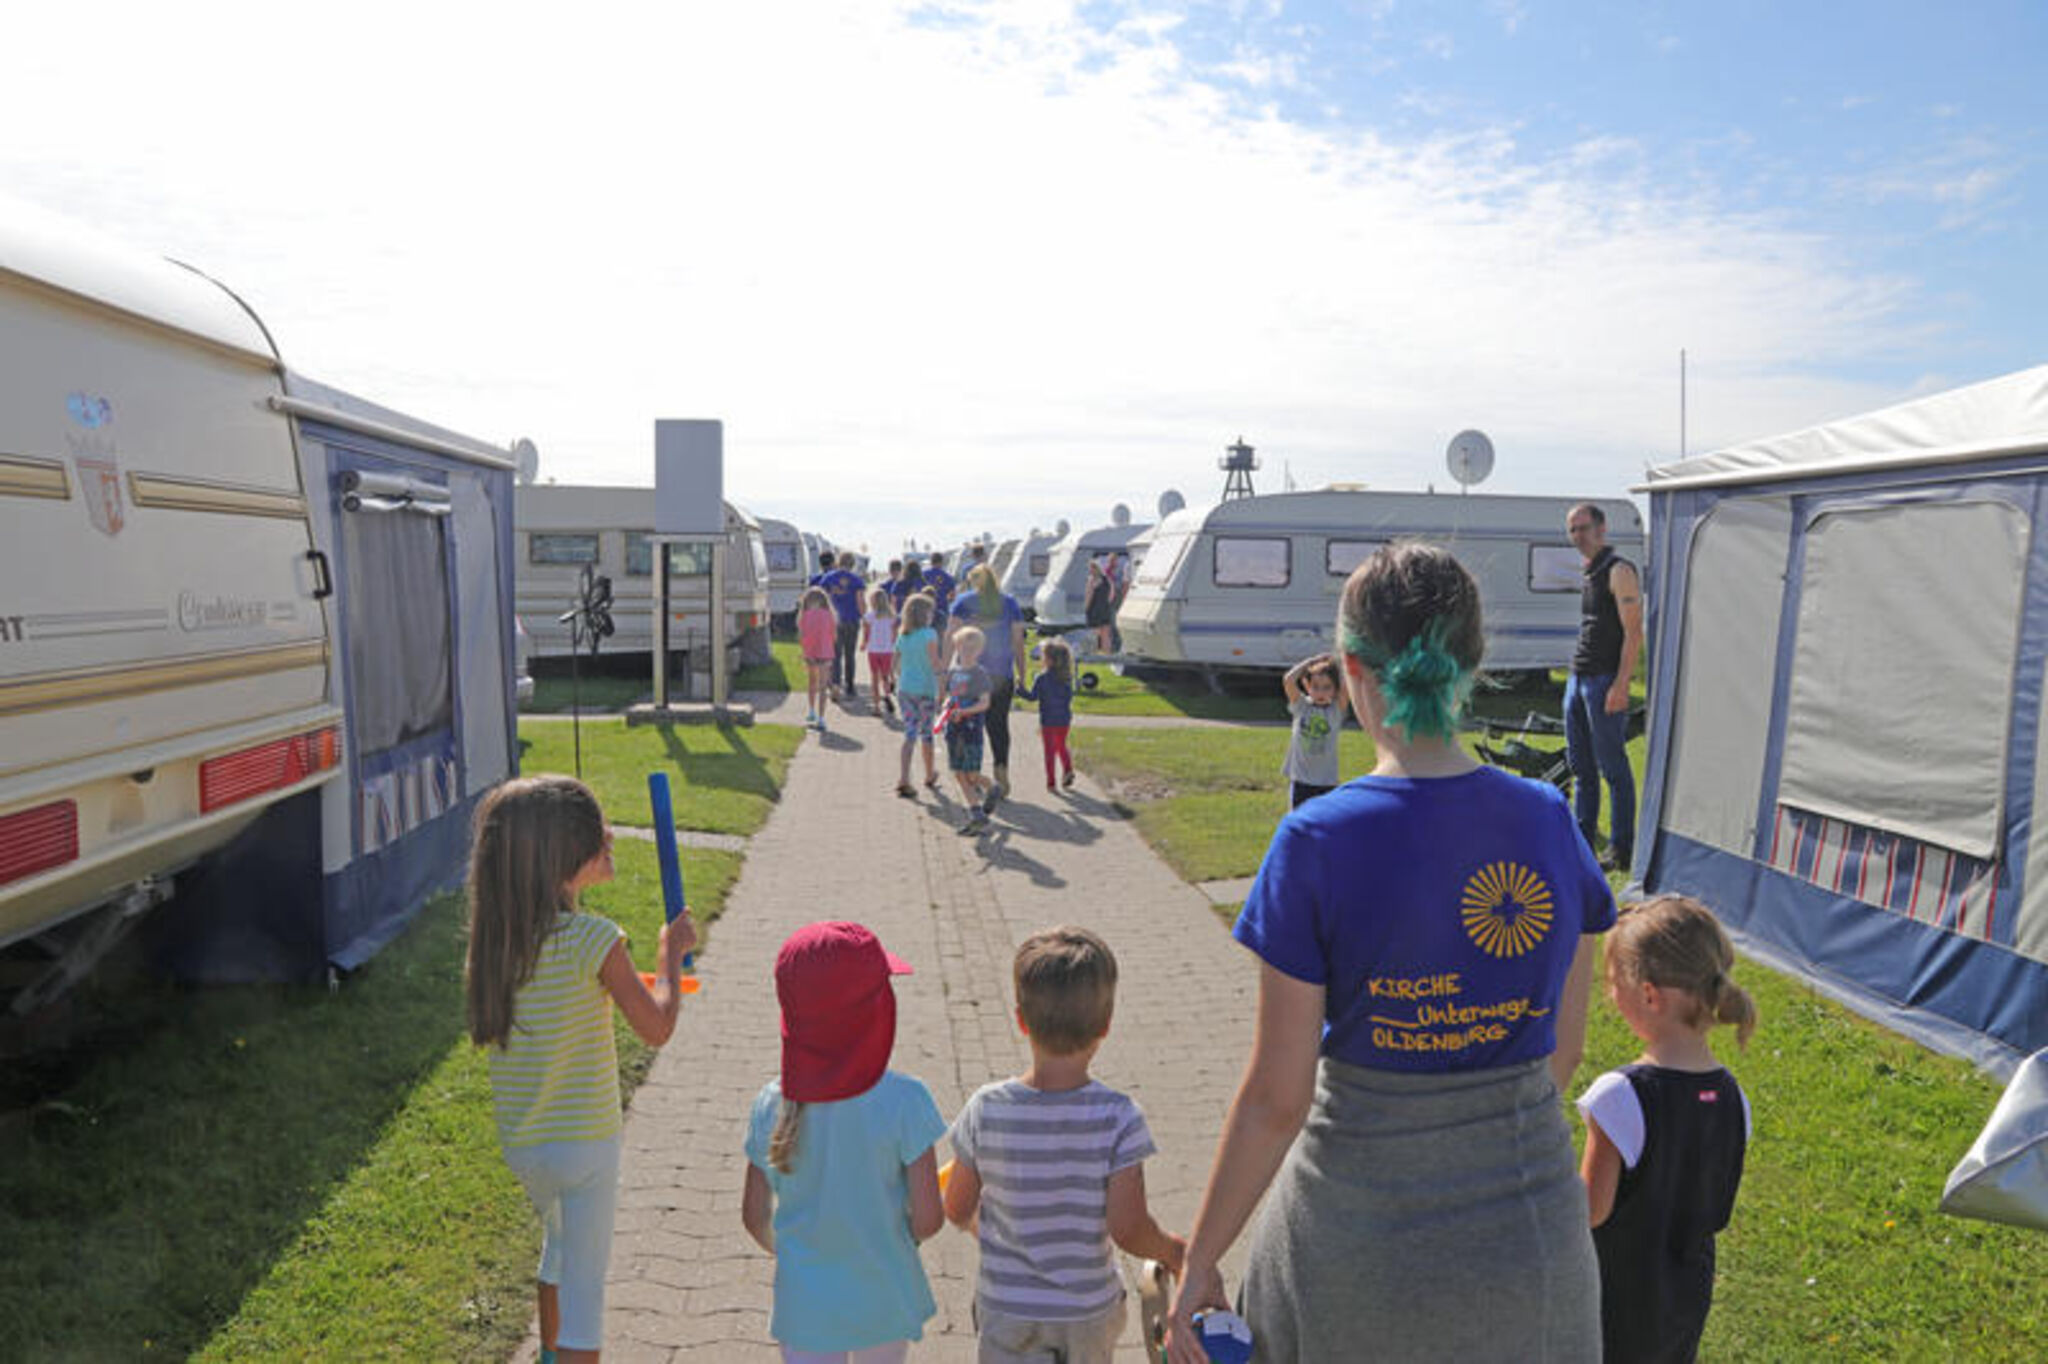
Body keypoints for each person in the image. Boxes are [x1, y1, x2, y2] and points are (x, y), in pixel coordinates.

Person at [1166, 541, 1616, 1364]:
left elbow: (1277, 1098)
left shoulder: (1316, 839)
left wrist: (1199, 1262)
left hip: (1353, 1259)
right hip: (1531, 1256)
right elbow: (1564, 1049)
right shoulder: (1551, 819)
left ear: (1348, 671)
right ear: (1476, 663)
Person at [466, 775, 697, 1364]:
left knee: (559, 1250)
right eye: (596, 831)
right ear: (562, 856)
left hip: (527, 1148)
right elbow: (657, 1026)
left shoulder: (500, 943)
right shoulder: (595, 939)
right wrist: (669, 954)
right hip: (587, 1150)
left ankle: (547, 1356)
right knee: (586, 1298)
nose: (611, 836)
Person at [945, 926, 1187, 1363]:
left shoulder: (986, 1109)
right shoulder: (1119, 1117)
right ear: (1106, 1026)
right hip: (1086, 1310)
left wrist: (992, 1234)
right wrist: (1173, 1250)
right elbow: (1128, 1228)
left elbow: (956, 1206)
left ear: (1021, 1020)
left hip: (1007, 1308)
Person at [742, 921, 947, 1364]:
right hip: (883, 1297)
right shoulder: (906, 1102)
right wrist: (892, 1239)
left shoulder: (771, 1105)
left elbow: (754, 1216)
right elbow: (929, 1219)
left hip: (805, 1306)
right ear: (878, 1013)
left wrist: (801, 1256)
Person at [1579, 894, 1756, 1364]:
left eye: (1613, 983)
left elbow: (1590, 1212)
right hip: (1683, 1301)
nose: (1609, 995)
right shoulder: (1734, 1098)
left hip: (1613, 1303)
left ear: (1650, 994)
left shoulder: (1619, 1096)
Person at [1565, 501, 1643, 870]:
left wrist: (1622, 684)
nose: (1578, 536)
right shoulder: (1589, 572)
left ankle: (1621, 847)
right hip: (1578, 678)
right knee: (1581, 768)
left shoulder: (1619, 570)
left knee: (1613, 768)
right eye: (1573, 530)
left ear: (1602, 529)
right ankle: (1582, 843)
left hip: (1604, 682)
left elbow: (1634, 632)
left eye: (1583, 528)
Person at [950, 564, 1028, 804]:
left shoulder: (963, 602)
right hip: (1001, 673)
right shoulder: (1010, 603)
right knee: (999, 725)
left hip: (970, 674)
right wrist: (1022, 674)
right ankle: (1001, 770)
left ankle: (974, 775)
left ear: (973, 581)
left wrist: (945, 671)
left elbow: (951, 638)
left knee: (970, 724)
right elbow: (1018, 642)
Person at [941, 624, 996, 833]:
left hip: (971, 730)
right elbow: (951, 696)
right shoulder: (954, 671)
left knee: (972, 775)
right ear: (956, 647)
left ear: (979, 651)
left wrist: (965, 712)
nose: (967, 653)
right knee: (958, 772)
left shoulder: (979, 674)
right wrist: (947, 704)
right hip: (953, 731)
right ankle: (976, 813)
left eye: (972, 649)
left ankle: (991, 787)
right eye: (963, 648)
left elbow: (985, 703)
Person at [1279, 653, 1347, 809]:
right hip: (1301, 782)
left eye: (1327, 687)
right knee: (1299, 825)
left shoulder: (1335, 711)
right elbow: (1288, 680)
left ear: (1335, 689)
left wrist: (1339, 665)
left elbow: (1346, 687)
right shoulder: (1302, 707)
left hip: (1326, 783)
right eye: (1315, 687)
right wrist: (1311, 662)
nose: (1321, 692)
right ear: (1307, 686)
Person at [894, 593, 943, 797]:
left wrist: (901, 677)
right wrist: (944, 679)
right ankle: (929, 773)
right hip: (925, 690)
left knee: (909, 733)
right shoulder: (930, 634)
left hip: (905, 689)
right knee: (927, 734)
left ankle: (904, 777)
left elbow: (895, 664)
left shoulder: (903, 635)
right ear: (925, 614)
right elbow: (934, 663)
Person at [1019, 638, 1077, 793]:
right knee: (1061, 745)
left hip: (1048, 720)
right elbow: (1069, 697)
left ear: (1050, 660)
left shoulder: (1042, 678)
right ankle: (1068, 769)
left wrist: (1019, 690)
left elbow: (1032, 697)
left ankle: (1051, 782)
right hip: (1064, 718)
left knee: (1049, 751)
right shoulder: (1066, 678)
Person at [821, 555, 868, 700]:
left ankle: (835, 684)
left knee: (835, 654)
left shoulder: (828, 578)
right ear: (852, 564)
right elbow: (860, 601)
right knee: (849, 654)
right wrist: (864, 615)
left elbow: (823, 597)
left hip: (834, 620)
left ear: (838, 562)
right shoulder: (856, 580)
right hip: (852, 620)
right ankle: (850, 686)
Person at [798, 586, 836, 732]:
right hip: (825, 652)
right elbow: (833, 634)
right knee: (823, 686)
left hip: (810, 653)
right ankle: (821, 717)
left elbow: (803, 636)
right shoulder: (829, 615)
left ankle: (811, 711)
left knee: (812, 683)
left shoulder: (805, 616)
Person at [861, 586, 898, 714]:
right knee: (885, 676)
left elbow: (866, 633)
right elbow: (894, 634)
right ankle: (887, 695)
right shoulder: (891, 616)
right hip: (887, 650)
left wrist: (863, 644)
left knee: (874, 677)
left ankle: (876, 706)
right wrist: (892, 643)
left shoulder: (869, 616)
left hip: (873, 650)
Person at [1083, 557, 1116, 656]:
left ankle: (1093, 654)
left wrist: (1086, 609)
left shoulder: (1092, 580)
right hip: (1105, 609)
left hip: (1094, 610)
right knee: (1105, 635)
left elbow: (1089, 596)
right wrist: (1106, 604)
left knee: (1094, 633)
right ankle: (1107, 654)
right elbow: (1111, 595)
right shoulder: (1107, 580)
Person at [923, 552, 956, 631]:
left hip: (925, 611)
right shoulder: (948, 577)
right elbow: (952, 596)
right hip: (942, 610)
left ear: (931, 562)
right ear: (942, 562)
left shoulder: (923, 575)